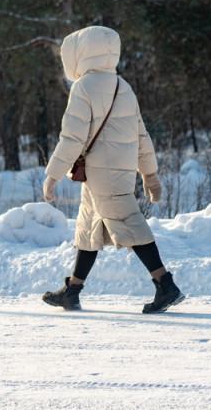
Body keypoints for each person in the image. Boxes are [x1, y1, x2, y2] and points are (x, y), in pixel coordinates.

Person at [41, 25, 184, 314]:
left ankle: (165, 285)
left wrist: (53, 174)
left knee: (130, 224)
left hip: (101, 172)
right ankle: (73, 291)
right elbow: (141, 133)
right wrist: (149, 172)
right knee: (89, 229)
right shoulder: (123, 86)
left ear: (82, 53)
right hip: (114, 169)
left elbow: (72, 137)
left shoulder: (83, 87)